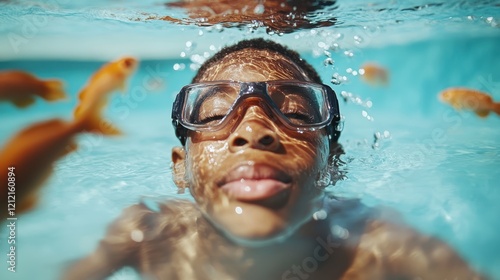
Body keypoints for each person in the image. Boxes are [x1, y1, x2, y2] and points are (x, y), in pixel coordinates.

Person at [63, 38, 487, 280]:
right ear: (180, 166)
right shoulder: (148, 231)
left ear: (332, 164)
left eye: (298, 114)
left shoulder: (380, 243)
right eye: (213, 115)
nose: (253, 131)